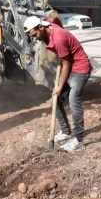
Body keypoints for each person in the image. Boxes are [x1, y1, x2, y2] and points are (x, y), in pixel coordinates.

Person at [24, 16, 92, 152]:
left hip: (80, 68)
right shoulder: (46, 26)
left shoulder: (59, 38)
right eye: (32, 36)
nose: (35, 38)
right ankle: (66, 131)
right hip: (71, 67)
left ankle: (78, 139)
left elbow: (66, 64)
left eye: (35, 34)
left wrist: (60, 86)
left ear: (41, 27)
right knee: (55, 99)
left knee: (73, 101)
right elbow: (51, 18)